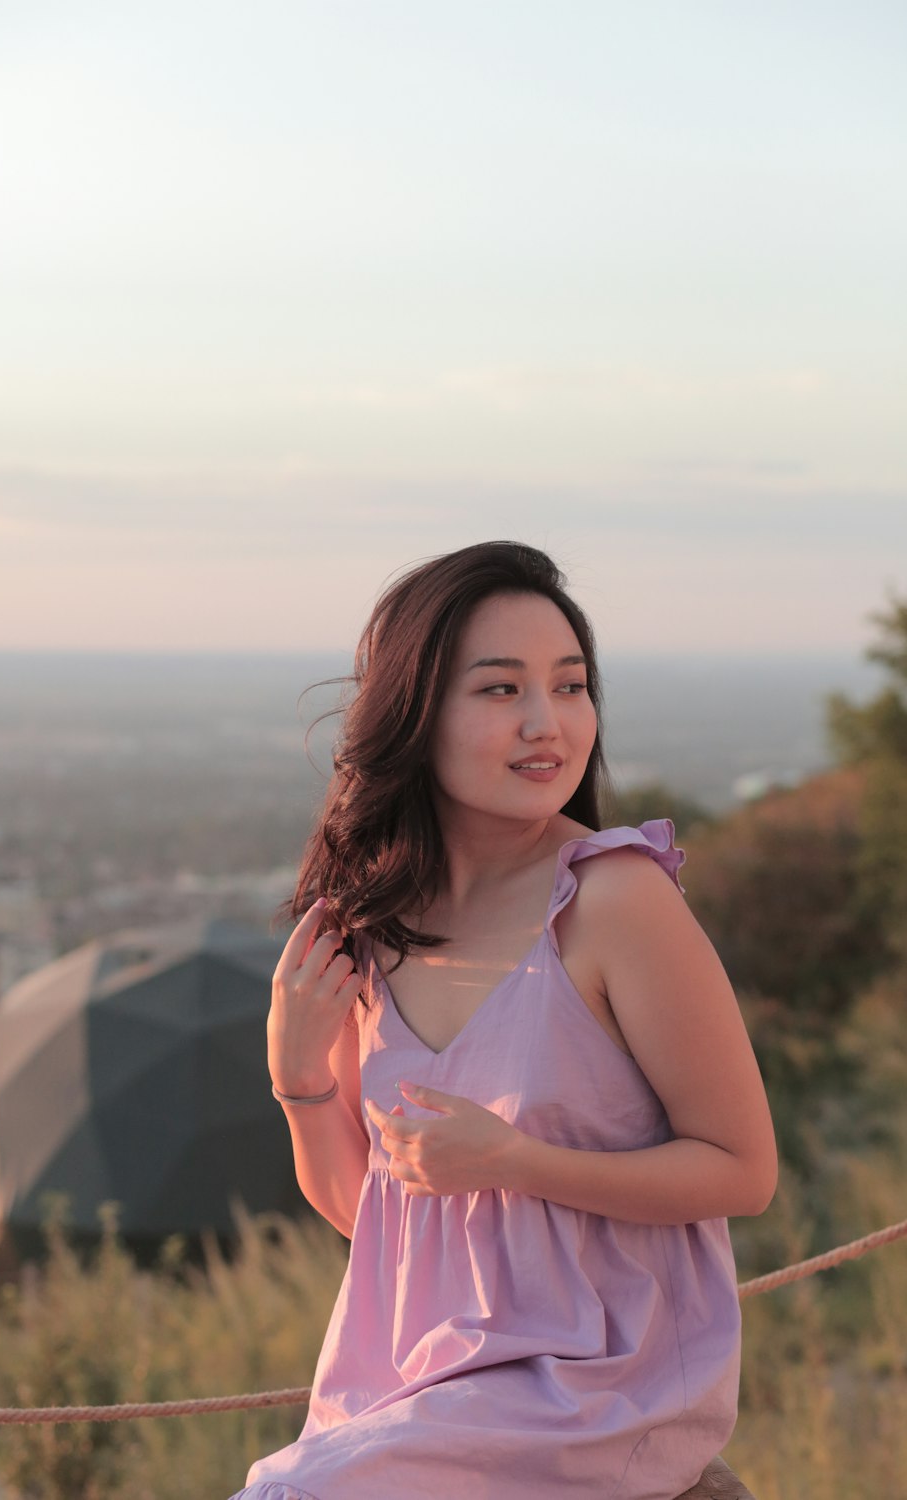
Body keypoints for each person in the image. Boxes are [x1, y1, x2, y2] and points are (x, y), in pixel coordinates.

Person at [228, 540, 777, 1500]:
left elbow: (742, 1169)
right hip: (426, 1389)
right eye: (500, 690)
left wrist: (516, 1162)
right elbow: (382, 1222)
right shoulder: (379, 923)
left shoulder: (614, 900)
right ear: (416, 713)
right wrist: (298, 1079)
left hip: (598, 1391)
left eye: (570, 687)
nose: (547, 725)